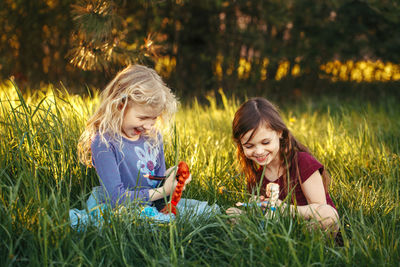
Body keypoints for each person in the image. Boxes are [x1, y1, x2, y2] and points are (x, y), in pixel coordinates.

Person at [70, 65, 218, 227]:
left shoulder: (153, 137)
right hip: (119, 208)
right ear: (120, 105)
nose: (148, 126)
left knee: (203, 214)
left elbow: (156, 179)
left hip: (152, 203)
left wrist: (172, 177)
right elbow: (116, 198)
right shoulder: (104, 142)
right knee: (147, 223)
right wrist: (163, 191)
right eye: (142, 118)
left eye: (154, 118)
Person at [226, 97, 339, 234]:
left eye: (266, 142)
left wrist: (283, 208)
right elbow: (267, 217)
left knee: (328, 215)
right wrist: (257, 206)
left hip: (309, 229)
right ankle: (269, 245)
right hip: (278, 231)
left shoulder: (302, 163)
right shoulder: (257, 176)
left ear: (279, 132)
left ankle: (301, 246)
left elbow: (321, 208)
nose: (259, 151)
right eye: (249, 146)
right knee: (232, 213)